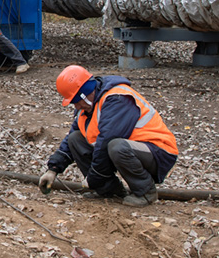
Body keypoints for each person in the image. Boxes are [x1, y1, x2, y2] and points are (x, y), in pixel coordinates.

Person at [38, 65, 178, 207]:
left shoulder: (117, 98)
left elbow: (106, 142)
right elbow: (70, 140)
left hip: (159, 151)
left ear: (83, 94)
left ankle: (146, 192)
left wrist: (93, 178)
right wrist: (53, 170)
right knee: (76, 138)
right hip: (135, 150)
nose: (76, 107)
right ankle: (109, 191)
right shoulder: (88, 107)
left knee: (116, 146)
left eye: (75, 101)